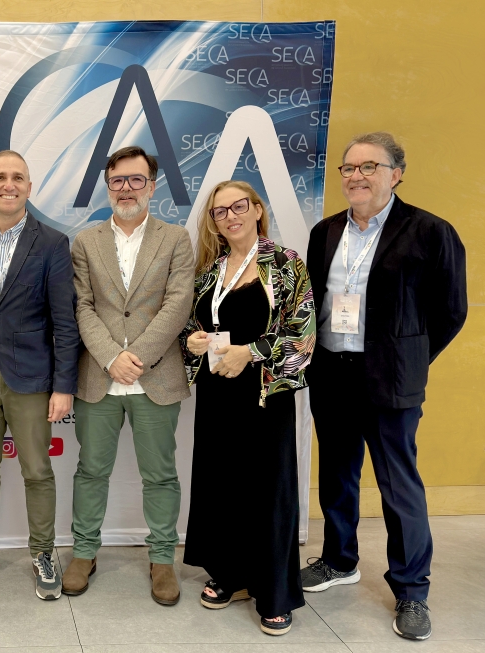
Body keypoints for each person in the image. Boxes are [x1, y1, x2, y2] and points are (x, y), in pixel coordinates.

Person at [301, 132, 467, 641]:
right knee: (337, 475)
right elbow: (312, 301)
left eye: (369, 166)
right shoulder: (326, 231)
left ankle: (412, 589)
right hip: (331, 371)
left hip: (391, 378)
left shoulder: (430, 231)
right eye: (348, 168)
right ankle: (339, 559)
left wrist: (409, 356)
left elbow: (451, 311)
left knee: (399, 484)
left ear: (396, 173)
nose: (356, 176)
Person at [180, 180, 315, 636]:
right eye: (220, 212)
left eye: (239, 206)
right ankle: (231, 575)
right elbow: (192, 328)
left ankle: (275, 592)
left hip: (265, 398)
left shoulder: (286, 264)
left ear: (257, 210)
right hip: (218, 397)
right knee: (224, 485)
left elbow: (303, 333)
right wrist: (194, 341)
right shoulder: (210, 271)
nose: (230, 216)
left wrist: (251, 351)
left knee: (269, 491)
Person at [62, 145, 193, 605]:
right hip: (99, 379)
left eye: (136, 179)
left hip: (155, 378)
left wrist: (134, 356)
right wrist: (109, 357)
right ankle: (83, 552)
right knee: (90, 471)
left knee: (159, 475)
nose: (126, 188)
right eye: (118, 180)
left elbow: (178, 304)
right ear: (107, 185)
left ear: (152, 186)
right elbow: (82, 305)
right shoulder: (85, 241)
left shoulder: (175, 239)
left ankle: (161, 559)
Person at [0, 150, 80, 601]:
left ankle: (43, 553)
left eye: (18, 178)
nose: (9, 185)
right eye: (0, 177)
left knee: (36, 471)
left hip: (31, 378)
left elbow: (64, 321)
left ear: (29, 187)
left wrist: (63, 385)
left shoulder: (51, 243)